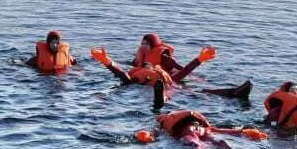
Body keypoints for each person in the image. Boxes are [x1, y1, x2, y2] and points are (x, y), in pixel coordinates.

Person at [90, 45, 251, 100]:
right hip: (155, 89)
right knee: (168, 95)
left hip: (168, 88)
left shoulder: (164, 75)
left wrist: (200, 59)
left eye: (151, 64)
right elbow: (122, 76)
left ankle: (235, 93)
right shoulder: (135, 76)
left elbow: (184, 73)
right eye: (147, 64)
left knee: (203, 91)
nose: (149, 64)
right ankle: (159, 97)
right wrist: (107, 62)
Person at [140, 109, 267, 149]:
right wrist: (244, 132)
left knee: (196, 143)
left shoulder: (163, 121)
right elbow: (220, 130)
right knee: (218, 140)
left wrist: (148, 136)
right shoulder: (202, 124)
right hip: (202, 129)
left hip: (188, 131)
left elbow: (156, 132)